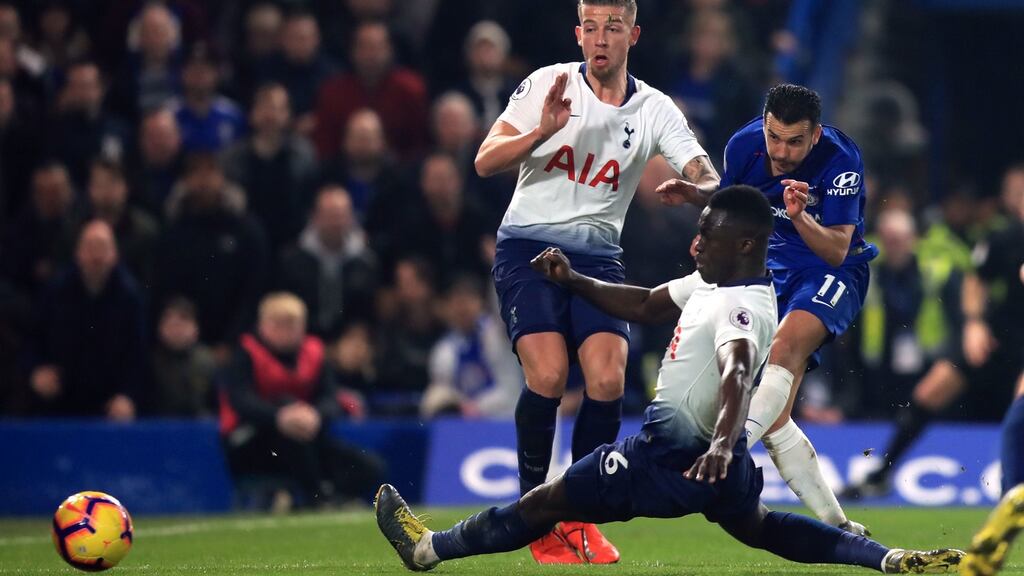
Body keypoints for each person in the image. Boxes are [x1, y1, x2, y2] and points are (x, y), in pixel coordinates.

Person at [375, 185, 963, 574]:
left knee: (544, 503)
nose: (694, 242)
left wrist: (718, 443)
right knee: (760, 527)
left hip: (667, 458)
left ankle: (427, 550)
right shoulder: (711, 282)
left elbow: (736, 374)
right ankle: (884, 559)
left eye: (706, 235)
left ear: (747, 245)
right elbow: (649, 303)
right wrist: (573, 279)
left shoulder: (744, 306)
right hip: (716, 463)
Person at [474, 0, 720, 563]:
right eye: (591, 27)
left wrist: (698, 190)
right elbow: (486, 161)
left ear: (633, 33)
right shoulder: (547, 85)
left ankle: (578, 516)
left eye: (612, 27)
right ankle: (537, 517)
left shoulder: (656, 108)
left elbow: (705, 171)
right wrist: (543, 130)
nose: (600, 38)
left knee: (608, 381)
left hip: (599, 259)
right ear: (578, 34)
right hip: (528, 249)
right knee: (552, 373)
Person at [657, 83, 872, 534]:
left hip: (831, 272)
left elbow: (836, 248)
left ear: (815, 136)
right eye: (775, 136)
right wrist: (700, 199)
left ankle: (726, 450)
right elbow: (736, 201)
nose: (782, 151)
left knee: (784, 348)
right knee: (774, 413)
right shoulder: (744, 143)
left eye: (795, 141)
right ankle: (839, 524)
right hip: (770, 266)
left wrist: (798, 216)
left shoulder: (841, 161)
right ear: (765, 122)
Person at [220, 292, 384, 509]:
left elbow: (330, 399)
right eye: (279, 324)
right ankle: (317, 497)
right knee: (289, 415)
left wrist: (315, 414)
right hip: (252, 441)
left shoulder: (315, 353)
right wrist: (280, 416)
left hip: (307, 439)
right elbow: (241, 400)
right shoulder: (246, 352)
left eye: (293, 324)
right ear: (263, 325)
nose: (287, 331)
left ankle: (324, 497)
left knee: (370, 466)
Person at [959, 193, 1024, 575]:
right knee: (1019, 421)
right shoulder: (1005, 238)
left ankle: (1010, 507)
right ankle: (1010, 509)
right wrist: (974, 322)